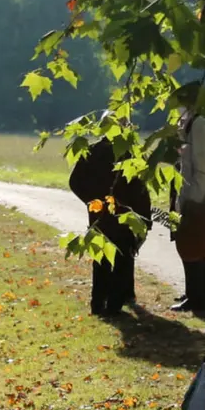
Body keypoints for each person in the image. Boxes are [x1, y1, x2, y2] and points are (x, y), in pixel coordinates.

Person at [68, 133, 152, 316]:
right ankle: (114, 304)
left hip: (101, 218)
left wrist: (93, 203)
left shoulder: (92, 151)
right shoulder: (132, 153)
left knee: (101, 261)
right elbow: (142, 190)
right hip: (125, 217)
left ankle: (98, 304)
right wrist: (145, 217)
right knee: (122, 259)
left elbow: (75, 182)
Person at [170, 109, 205, 316]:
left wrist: (192, 201)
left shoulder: (199, 125)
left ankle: (197, 299)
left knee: (191, 245)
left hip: (199, 197)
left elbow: (201, 168)